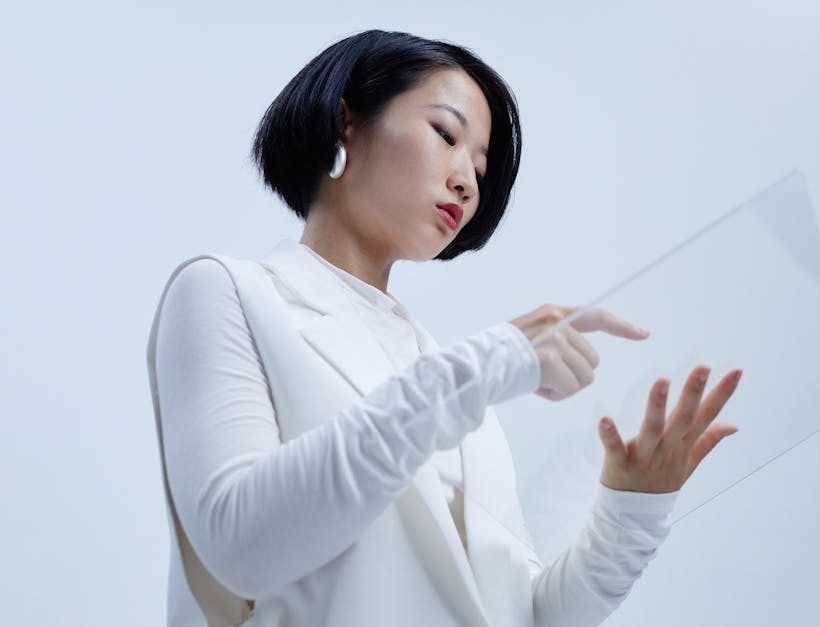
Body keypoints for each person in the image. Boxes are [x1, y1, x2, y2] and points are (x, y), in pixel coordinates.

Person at [145, 29, 742, 627]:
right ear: (345, 122)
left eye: (480, 167)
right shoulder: (226, 291)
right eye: (446, 135)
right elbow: (243, 545)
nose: (467, 181)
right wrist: (491, 361)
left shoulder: (451, 383)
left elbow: (517, 612)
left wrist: (630, 510)